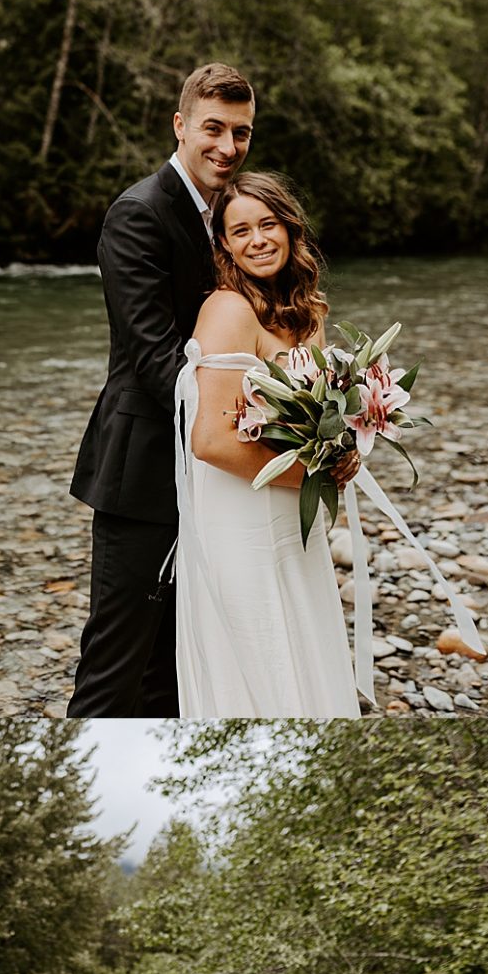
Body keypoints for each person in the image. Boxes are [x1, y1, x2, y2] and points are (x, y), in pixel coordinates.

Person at [67, 62, 254, 717]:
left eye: (242, 133)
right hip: (144, 471)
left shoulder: (230, 217)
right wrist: (259, 421)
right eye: (213, 129)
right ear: (180, 126)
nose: (227, 147)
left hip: (202, 472)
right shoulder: (139, 213)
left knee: (174, 665)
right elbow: (155, 357)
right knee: (114, 664)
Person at [174, 171, 360, 717]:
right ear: (225, 246)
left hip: (289, 510)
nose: (257, 239)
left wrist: (342, 450)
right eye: (240, 231)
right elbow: (207, 440)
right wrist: (309, 476)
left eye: (267, 224)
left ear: (289, 227)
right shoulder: (228, 310)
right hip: (239, 511)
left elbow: (322, 410)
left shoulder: (309, 312)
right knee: (259, 647)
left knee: (302, 629)